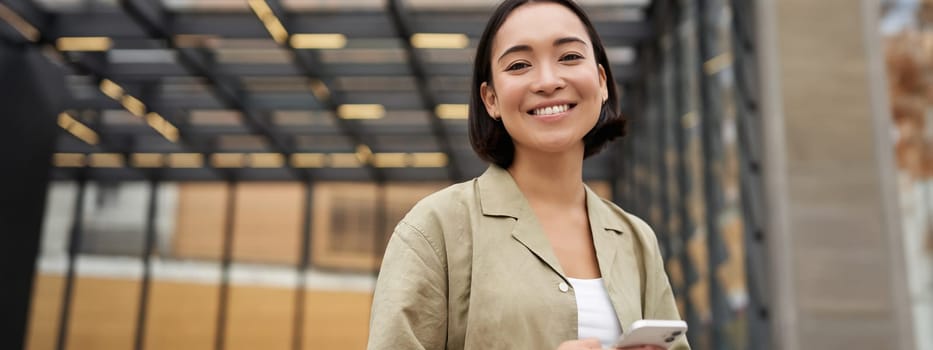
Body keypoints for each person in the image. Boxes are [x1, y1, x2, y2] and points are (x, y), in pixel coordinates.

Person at [367, 0, 689, 349]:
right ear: (490, 99)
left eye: (569, 57)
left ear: (601, 82)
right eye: (519, 65)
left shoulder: (636, 239)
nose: (548, 82)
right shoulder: (436, 229)